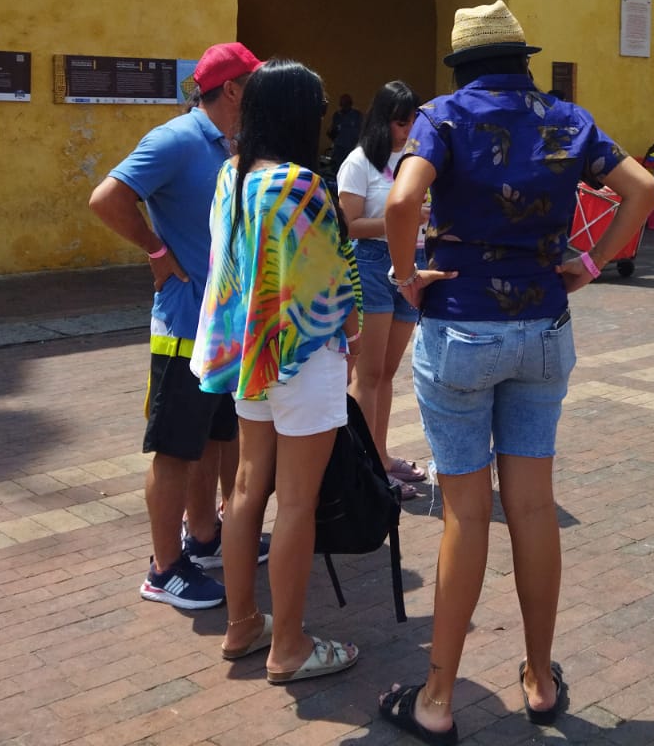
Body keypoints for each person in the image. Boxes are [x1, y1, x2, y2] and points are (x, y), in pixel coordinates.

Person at [375, 0, 654, 744]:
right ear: (522, 59)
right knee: (533, 506)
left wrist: (407, 274)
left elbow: (404, 199)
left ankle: (437, 698)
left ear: (462, 64)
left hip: (460, 327)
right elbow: (645, 192)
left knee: (467, 513)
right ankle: (538, 678)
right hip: (542, 324)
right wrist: (592, 265)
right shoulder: (567, 119)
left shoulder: (442, 116)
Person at [191, 59, 362, 680]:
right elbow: (331, 283)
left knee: (243, 489)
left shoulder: (229, 177)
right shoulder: (301, 186)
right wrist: (353, 329)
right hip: (301, 356)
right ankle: (288, 646)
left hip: (247, 358)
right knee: (296, 503)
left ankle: (242, 626)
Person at [87, 42, 263, 609]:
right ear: (233, 89)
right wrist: (155, 249)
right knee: (174, 452)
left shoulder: (232, 144)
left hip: (223, 326)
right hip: (185, 324)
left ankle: (205, 536)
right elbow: (107, 197)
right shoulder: (176, 140)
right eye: (253, 82)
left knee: (214, 440)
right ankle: (164, 569)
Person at [337, 81, 429, 498]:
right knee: (368, 374)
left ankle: (380, 454)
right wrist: (403, 217)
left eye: (412, 120)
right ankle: (368, 467)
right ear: (383, 119)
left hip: (412, 262)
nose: (407, 128)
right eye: (400, 120)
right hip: (372, 262)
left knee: (387, 373)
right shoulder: (360, 162)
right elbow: (350, 225)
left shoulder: (418, 159)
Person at [328, 93, 364, 175]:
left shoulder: (356, 115)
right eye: (342, 104)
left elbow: (361, 131)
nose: (344, 106)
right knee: (337, 171)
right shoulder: (337, 115)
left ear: (350, 104)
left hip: (351, 149)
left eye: (346, 104)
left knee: (350, 172)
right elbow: (332, 131)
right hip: (339, 150)